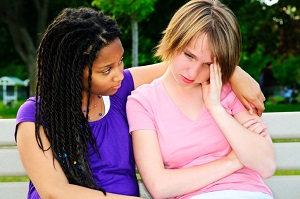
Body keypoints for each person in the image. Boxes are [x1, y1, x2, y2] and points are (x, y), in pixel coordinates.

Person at [15, 6, 265, 199]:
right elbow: (55, 192)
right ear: (72, 70)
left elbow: (182, 63)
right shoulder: (35, 114)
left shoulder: (118, 91)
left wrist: (234, 71)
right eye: (106, 70)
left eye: (121, 61)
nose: (118, 74)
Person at [126, 0, 276, 199]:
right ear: (173, 40)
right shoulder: (143, 102)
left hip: (248, 192)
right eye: (189, 55)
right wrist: (232, 161)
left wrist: (216, 109)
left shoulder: (229, 90)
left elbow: (266, 165)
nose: (193, 72)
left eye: (208, 64)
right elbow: (159, 186)